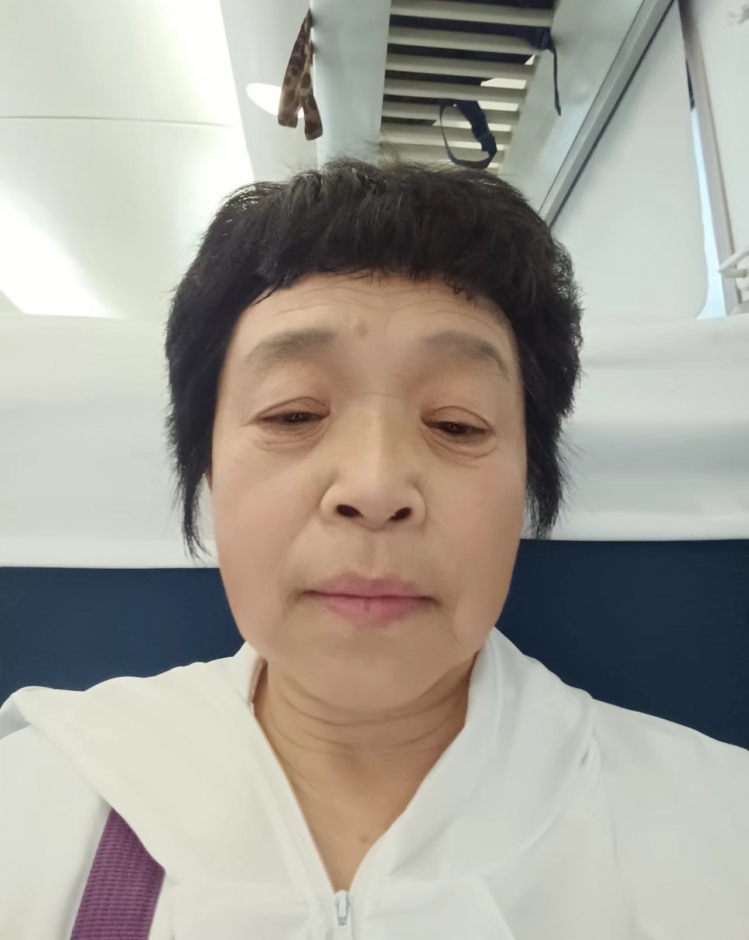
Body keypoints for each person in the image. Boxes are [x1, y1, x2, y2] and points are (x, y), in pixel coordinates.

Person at [1, 159, 747, 939]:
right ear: (208, 470)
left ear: (527, 483)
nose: (375, 483)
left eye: (455, 423)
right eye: (292, 415)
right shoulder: (36, 808)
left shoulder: (719, 832)